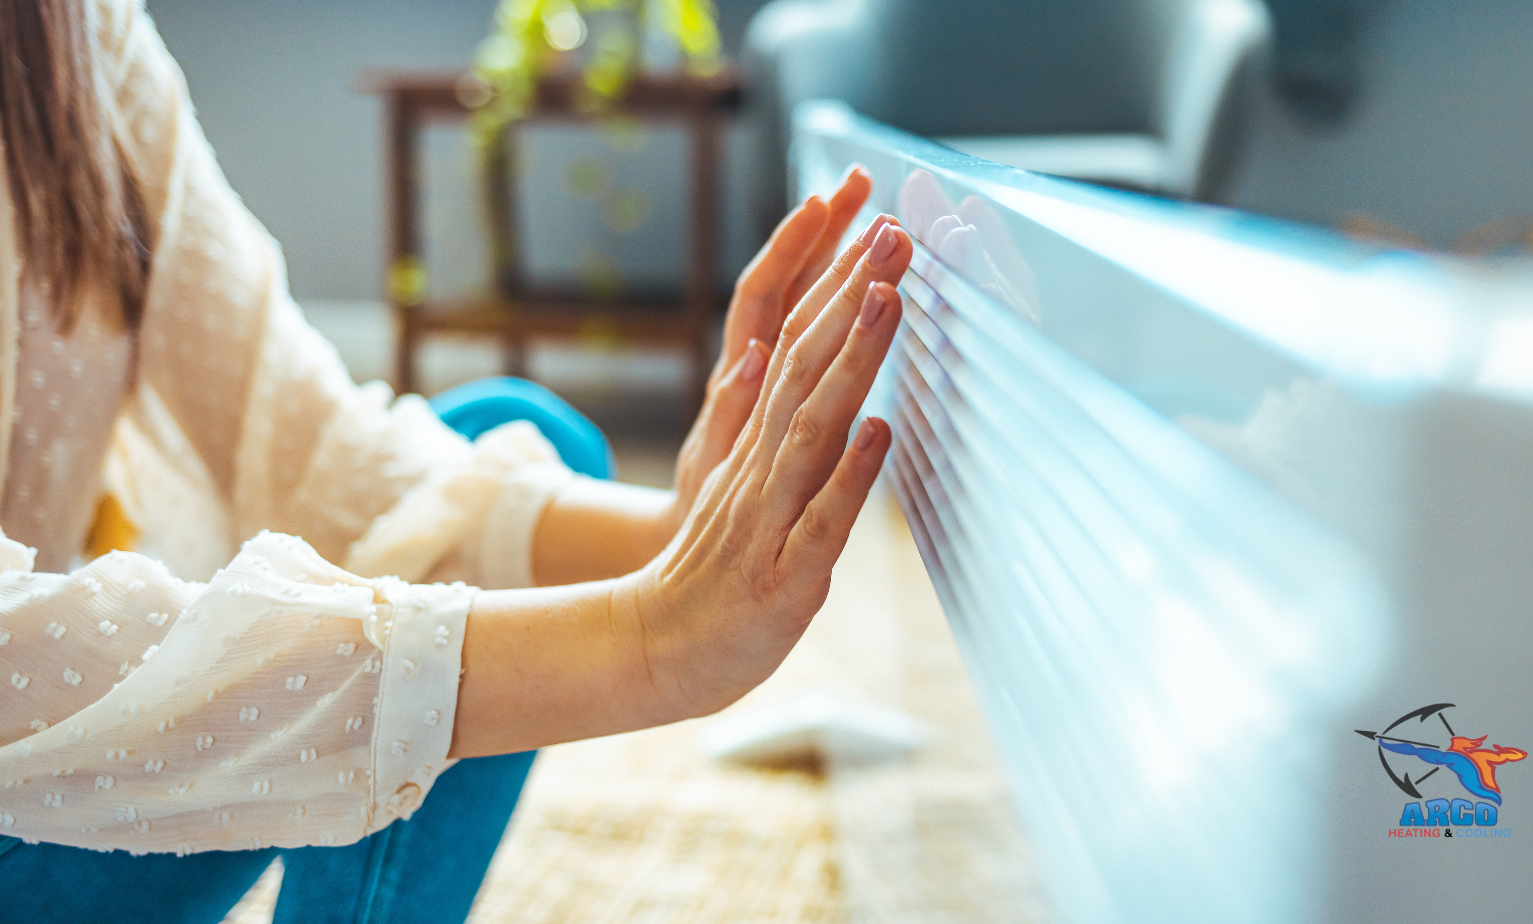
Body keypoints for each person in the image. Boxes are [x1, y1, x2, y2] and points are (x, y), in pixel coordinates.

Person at [0, 0, 913, 920]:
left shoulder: (70, 24)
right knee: (410, 632)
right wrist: (649, 641)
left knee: (520, 436)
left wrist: (675, 529)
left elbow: (296, 433)